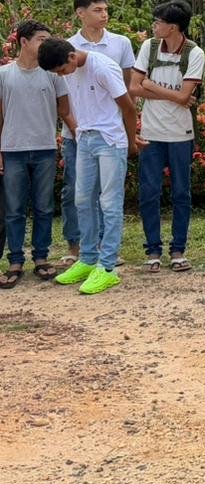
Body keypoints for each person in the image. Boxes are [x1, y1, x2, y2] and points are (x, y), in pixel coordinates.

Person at [40, 37, 140, 295]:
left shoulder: (102, 67)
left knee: (109, 202)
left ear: (72, 57)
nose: (62, 75)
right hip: (84, 138)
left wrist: (130, 142)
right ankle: (87, 259)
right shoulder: (68, 70)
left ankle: (107, 267)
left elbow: (128, 107)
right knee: (82, 199)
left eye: (62, 70)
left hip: (110, 141)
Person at [59, 0, 135, 265]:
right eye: (97, 10)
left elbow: (127, 90)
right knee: (78, 194)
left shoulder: (120, 43)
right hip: (78, 132)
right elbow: (63, 95)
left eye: (106, 9)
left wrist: (129, 132)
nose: (104, 14)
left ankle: (108, 255)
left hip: (110, 132)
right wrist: (77, 127)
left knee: (109, 198)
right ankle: (81, 251)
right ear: (80, 12)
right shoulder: (66, 47)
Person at [131, 0, 205, 273]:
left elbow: (186, 95)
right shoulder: (148, 47)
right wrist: (172, 95)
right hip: (151, 130)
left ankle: (178, 249)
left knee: (181, 193)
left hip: (180, 132)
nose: (154, 25)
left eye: (158, 21)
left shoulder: (194, 53)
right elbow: (134, 88)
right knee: (148, 193)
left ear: (172, 27)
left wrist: (151, 84)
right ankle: (152, 250)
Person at [1, 22, 73, 288]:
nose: (46, 44)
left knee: (44, 207)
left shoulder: (53, 75)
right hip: (12, 150)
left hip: (44, 148)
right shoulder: (4, 74)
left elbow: (65, 110)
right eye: (41, 39)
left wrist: (78, 135)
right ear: (23, 42)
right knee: (14, 209)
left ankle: (41, 258)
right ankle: (15, 260)